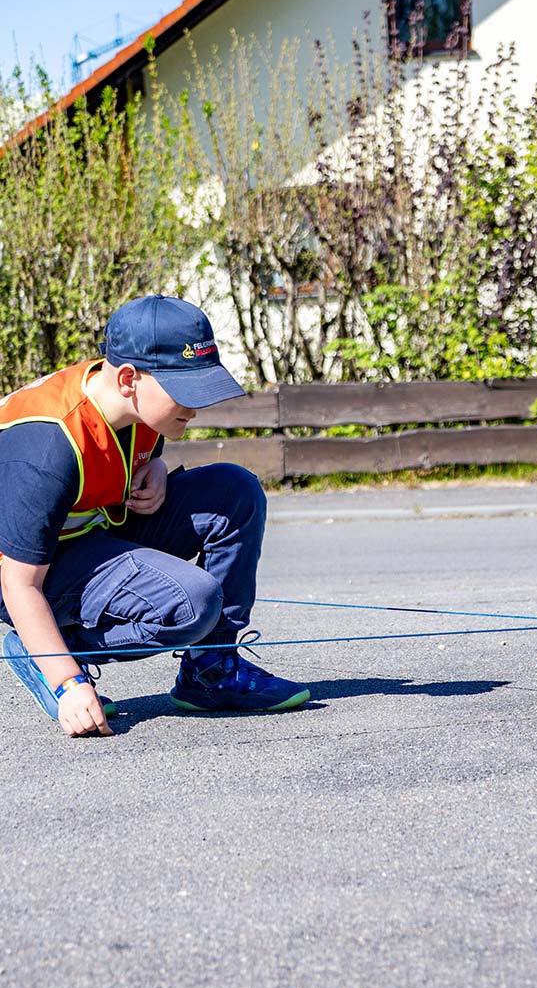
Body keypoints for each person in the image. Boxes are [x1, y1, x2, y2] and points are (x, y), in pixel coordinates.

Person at [0, 294, 309, 737]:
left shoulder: (132, 400)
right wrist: (65, 681)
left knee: (235, 490)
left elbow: (134, 455)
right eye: (185, 392)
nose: (196, 407)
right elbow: (18, 583)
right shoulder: (48, 447)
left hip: (91, 532)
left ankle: (211, 671)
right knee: (193, 603)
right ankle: (52, 650)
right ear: (128, 378)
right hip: (21, 576)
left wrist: (158, 468)